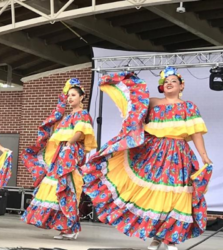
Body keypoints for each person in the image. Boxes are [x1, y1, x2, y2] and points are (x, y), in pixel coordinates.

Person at [81, 67, 213, 250]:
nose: (168, 83)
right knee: (154, 196)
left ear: (181, 86)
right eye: (165, 81)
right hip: (154, 153)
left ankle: (170, 238)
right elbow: (133, 112)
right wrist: (124, 81)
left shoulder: (188, 107)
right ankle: (157, 237)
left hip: (178, 155)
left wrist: (204, 156)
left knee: (176, 195)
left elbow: (196, 133)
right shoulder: (152, 103)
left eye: (173, 81)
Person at [21, 78, 97, 240]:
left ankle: (71, 228)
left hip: (69, 153)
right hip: (61, 155)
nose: (70, 98)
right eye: (68, 95)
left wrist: (69, 144)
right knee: (58, 189)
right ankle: (66, 227)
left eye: (74, 95)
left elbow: (80, 131)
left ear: (82, 97)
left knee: (67, 187)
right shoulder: (68, 116)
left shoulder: (82, 114)